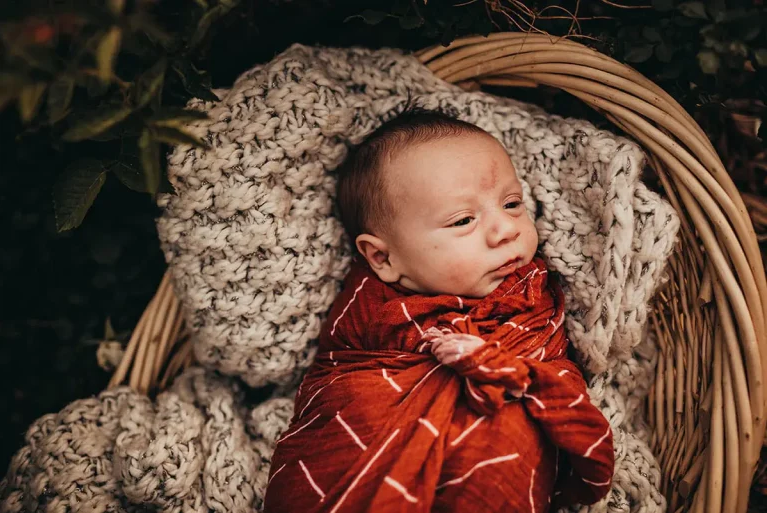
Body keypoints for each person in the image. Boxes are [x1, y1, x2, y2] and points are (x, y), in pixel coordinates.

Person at [263, 108, 614, 513]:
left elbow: (555, 374)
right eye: (463, 220)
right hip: (370, 444)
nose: (507, 230)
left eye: (512, 203)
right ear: (382, 258)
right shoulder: (369, 313)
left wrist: (500, 367)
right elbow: (345, 387)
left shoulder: (532, 297)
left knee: (504, 439)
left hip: (486, 470)